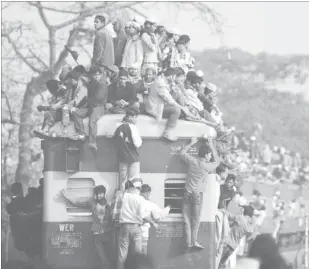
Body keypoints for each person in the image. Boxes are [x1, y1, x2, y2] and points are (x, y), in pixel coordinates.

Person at [180, 136, 220, 249]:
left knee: (186, 218)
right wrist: (211, 146)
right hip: (197, 195)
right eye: (209, 155)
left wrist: (191, 143)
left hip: (187, 193)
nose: (210, 156)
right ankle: (194, 241)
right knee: (195, 219)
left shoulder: (192, 161)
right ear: (206, 155)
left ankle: (187, 242)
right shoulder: (207, 166)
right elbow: (217, 161)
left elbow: (182, 153)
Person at [61, 185, 114, 269]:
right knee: (102, 255)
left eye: (101, 193)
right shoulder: (93, 203)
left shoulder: (109, 205)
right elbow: (78, 203)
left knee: (106, 254)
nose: (99, 195)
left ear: (104, 193)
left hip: (107, 233)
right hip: (98, 234)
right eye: (97, 194)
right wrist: (67, 197)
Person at [116, 178, 156, 269]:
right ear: (138, 188)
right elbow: (143, 215)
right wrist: (152, 222)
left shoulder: (122, 196)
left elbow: (115, 212)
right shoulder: (140, 199)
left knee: (122, 252)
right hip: (136, 227)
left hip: (124, 226)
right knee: (138, 253)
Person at [144, 68, 188, 141]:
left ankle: (187, 112)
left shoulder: (163, 80)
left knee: (178, 94)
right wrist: (182, 108)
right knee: (176, 110)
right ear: (170, 76)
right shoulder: (161, 84)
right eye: (174, 77)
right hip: (154, 109)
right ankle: (167, 132)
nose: (174, 79)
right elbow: (169, 100)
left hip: (159, 104)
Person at [114, 107, 142, 190]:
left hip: (122, 158)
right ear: (130, 117)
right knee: (133, 181)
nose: (136, 119)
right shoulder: (132, 127)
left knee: (122, 181)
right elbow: (137, 143)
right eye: (135, 117)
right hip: (133, 158)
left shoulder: (118, 127)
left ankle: (122, 197)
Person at [140, 184, 170, 254]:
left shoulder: (135, 200)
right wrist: (168, 207)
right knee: (143, 252)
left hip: (131, 230)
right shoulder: (149, 204)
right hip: (143, 231)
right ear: (148, 193)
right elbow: (159, 216)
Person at [87, 67, 109, 150]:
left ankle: (92, 142)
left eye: (98, 75)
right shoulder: (91, 83)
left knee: (92, 121)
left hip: (99, 106)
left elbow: (98, 97)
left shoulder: (102, 84)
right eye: (94, 75)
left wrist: (88, 101)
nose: (96, 76)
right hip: (91, 105)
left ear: (101, 75)